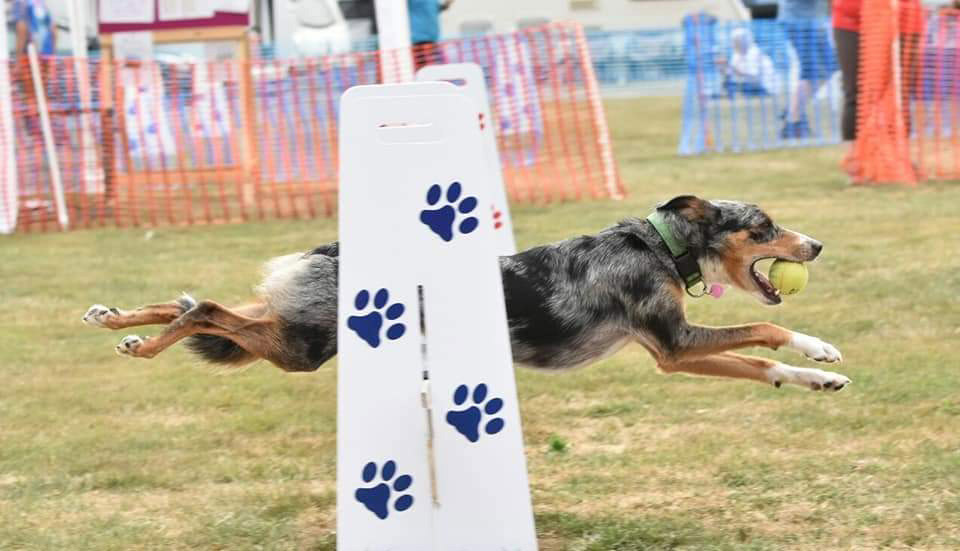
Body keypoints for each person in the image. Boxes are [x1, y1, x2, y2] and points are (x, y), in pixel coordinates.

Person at [832, 0, 923, 180]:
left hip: (903, 17)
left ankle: (900, 159)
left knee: (900, 93)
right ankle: (855, 162)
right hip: (851, 18)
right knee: (855, 91)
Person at [777, 0, 837, 139]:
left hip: (811, 21)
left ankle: (793, 111)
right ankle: (793, 122)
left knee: (827, 67)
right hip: (800, 22)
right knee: (815, 71)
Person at [722, 27, 779, 97]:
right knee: (727, 82)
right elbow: (731, 73)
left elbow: (753, 76)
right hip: (750, 85)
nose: (734, 44)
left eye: (736, 41)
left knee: (743, 86)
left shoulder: (754, 53)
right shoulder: (737, 54)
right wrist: (723, 67)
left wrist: (732, 68)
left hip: (764, 87)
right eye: (734, 41)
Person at [408, 0, 453, 70]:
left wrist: (448, 3)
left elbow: (438, 8)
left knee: (432, 68)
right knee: (424, 68)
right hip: (418, 38)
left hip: (432, 38)